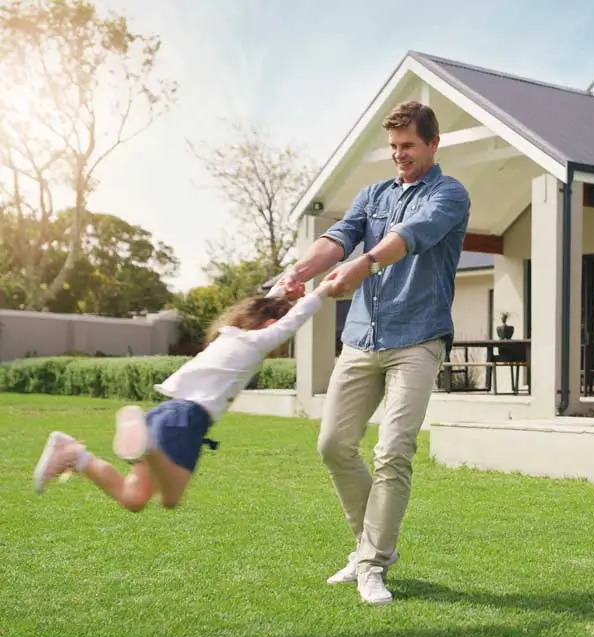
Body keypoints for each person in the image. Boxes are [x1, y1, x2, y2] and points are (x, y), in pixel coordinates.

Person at [279, 101, 470, 605]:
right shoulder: (373, 194)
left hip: (419, 338)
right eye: (393, 148)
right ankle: (372, 544)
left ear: (433, 143)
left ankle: (371, 563)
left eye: (408, 146)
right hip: (361, 338)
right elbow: (336, 239)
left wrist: (362, 267)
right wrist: (301, 272)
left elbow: (411, 236)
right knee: (333, 446)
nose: (399, 156)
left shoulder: (449, 194)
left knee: (393, 451)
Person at [32, 280, 338, 509]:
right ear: (270, 325)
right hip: (188, 418)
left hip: (168, 412)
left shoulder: (230, 336)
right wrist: (323, 289)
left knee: (134, 497)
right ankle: (147, 446)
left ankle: (73, 453)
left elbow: (269, 306)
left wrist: (283, 291)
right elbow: (294, 319)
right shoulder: (256, 342)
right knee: (171, 497)